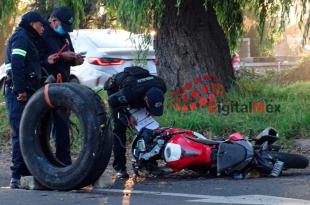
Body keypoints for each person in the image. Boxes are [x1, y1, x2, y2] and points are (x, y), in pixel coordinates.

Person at [3, 11, 52, 189]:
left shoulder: (29, 39)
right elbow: (16, 63)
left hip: (28, 92)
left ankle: (27, 171)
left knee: (29, 131)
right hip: (18, 94)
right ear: (32, 23)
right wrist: (20, 89)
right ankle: (16, 176)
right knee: (20, 132)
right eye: (41, 25)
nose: (43, 28)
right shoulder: (21, 38)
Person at [104, 66, 166, 179]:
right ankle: (120, 168)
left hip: (138, 92)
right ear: (146, 99)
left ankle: (149, 164)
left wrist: (148, 110)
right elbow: (112, 101)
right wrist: (127, 114)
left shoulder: (161, 85)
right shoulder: (129, 92)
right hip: (116, 91)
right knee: (119, 130)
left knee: (150, 130)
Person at [40, 7, 84, 166]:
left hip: (63, 84)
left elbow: (69, 53)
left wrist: (74, 59)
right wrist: (56, 58)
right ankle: (42, 162)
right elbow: (39, 59)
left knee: (62, 125)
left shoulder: (64, 35)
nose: (63, 30)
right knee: (44, 124)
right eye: (61, 26)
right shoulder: (42, 34)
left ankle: (63, 161)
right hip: (46, 85)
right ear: (54, 20)